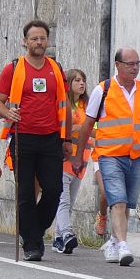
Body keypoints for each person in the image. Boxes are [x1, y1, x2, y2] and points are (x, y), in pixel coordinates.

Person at [0, 20, 70, 261]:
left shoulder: (55, 68)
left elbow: (64, 105)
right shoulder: (13, 68)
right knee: (25, 192)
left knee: (54, 190)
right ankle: (33, 245)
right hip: (22, 136)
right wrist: (8, 114)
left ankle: (32, 230)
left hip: (50, 138)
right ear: (24, 41)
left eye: (42, 38)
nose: (39, 42)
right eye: (34, 38)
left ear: (47, 40)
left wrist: (66, 139)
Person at [73, 48, 140, 266]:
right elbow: (87, 125)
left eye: (137, 63)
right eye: (130, 63)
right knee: (117, 199)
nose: (135, 67)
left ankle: (114, 240)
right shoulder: (104, 90)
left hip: (137, 156)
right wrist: (79, 155)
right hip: (109, 156)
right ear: (117, 65)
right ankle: (124, 245)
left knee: (126, 203)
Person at [51, 68, 91, 254]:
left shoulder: (88, 106)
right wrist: (75, 128)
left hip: (82, 160)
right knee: (63, 200)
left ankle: (58, 238)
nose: (81, 83)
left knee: (70, 201)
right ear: (68, 83)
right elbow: (61, 127)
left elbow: (94, 130)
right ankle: (67, 233)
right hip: (66, 159)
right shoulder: (64, 104)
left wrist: (82, 128)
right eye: (76, 80)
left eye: (83, 80)